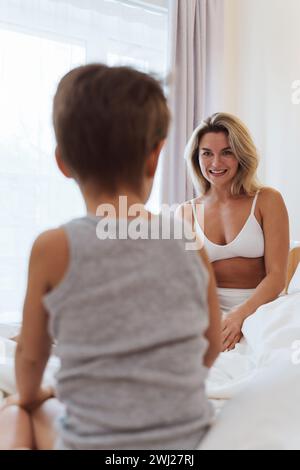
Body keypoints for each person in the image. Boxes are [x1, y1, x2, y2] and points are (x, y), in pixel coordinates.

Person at [0, 64, 221, 450]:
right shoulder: (186, 239)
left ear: (62, 162)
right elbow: (210, 341)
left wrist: (32, 396)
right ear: (155, 157)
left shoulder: (53, 248)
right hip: (183, 441)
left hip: (92, 444)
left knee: (15, 413)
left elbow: (30, 357)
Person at [181, 112, 289, 352]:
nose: (216, 163)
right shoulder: (185, 213)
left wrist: (240, 315)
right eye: (207, 153)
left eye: (227, 152)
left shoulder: (267, 200)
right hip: (209, 310)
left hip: (262, 307)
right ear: (196, 157)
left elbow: (277, 275)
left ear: (241, 154)